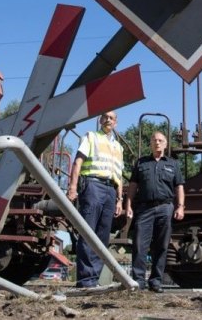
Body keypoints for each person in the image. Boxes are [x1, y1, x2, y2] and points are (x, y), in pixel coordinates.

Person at [67, 111, 124, 288]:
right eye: (105, 117)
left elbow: (119, 175)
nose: (108, 119)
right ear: (100, 120)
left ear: (116, 123)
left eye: (112, 118)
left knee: (102, 236)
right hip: (92, 185)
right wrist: (73, 187)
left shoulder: (118, 147)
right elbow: (78, 162)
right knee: (88, 232)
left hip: (110, 190)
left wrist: (120, 199)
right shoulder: (91, 137)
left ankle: (94, 279)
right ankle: (85, 280)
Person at [126, 131, 185, 293]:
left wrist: (180, 206)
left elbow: (179, 187)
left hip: (165, 208)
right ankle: (138, 281)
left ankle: (156, 282)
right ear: (150, 144)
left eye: (160, 140)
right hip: (144, 208)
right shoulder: (141, 163)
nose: (157, 143)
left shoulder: (173, 164)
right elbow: (132, 186)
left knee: (162, 246)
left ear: (165, 144)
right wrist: (129, 205)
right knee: (139, 245)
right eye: (154, 140)